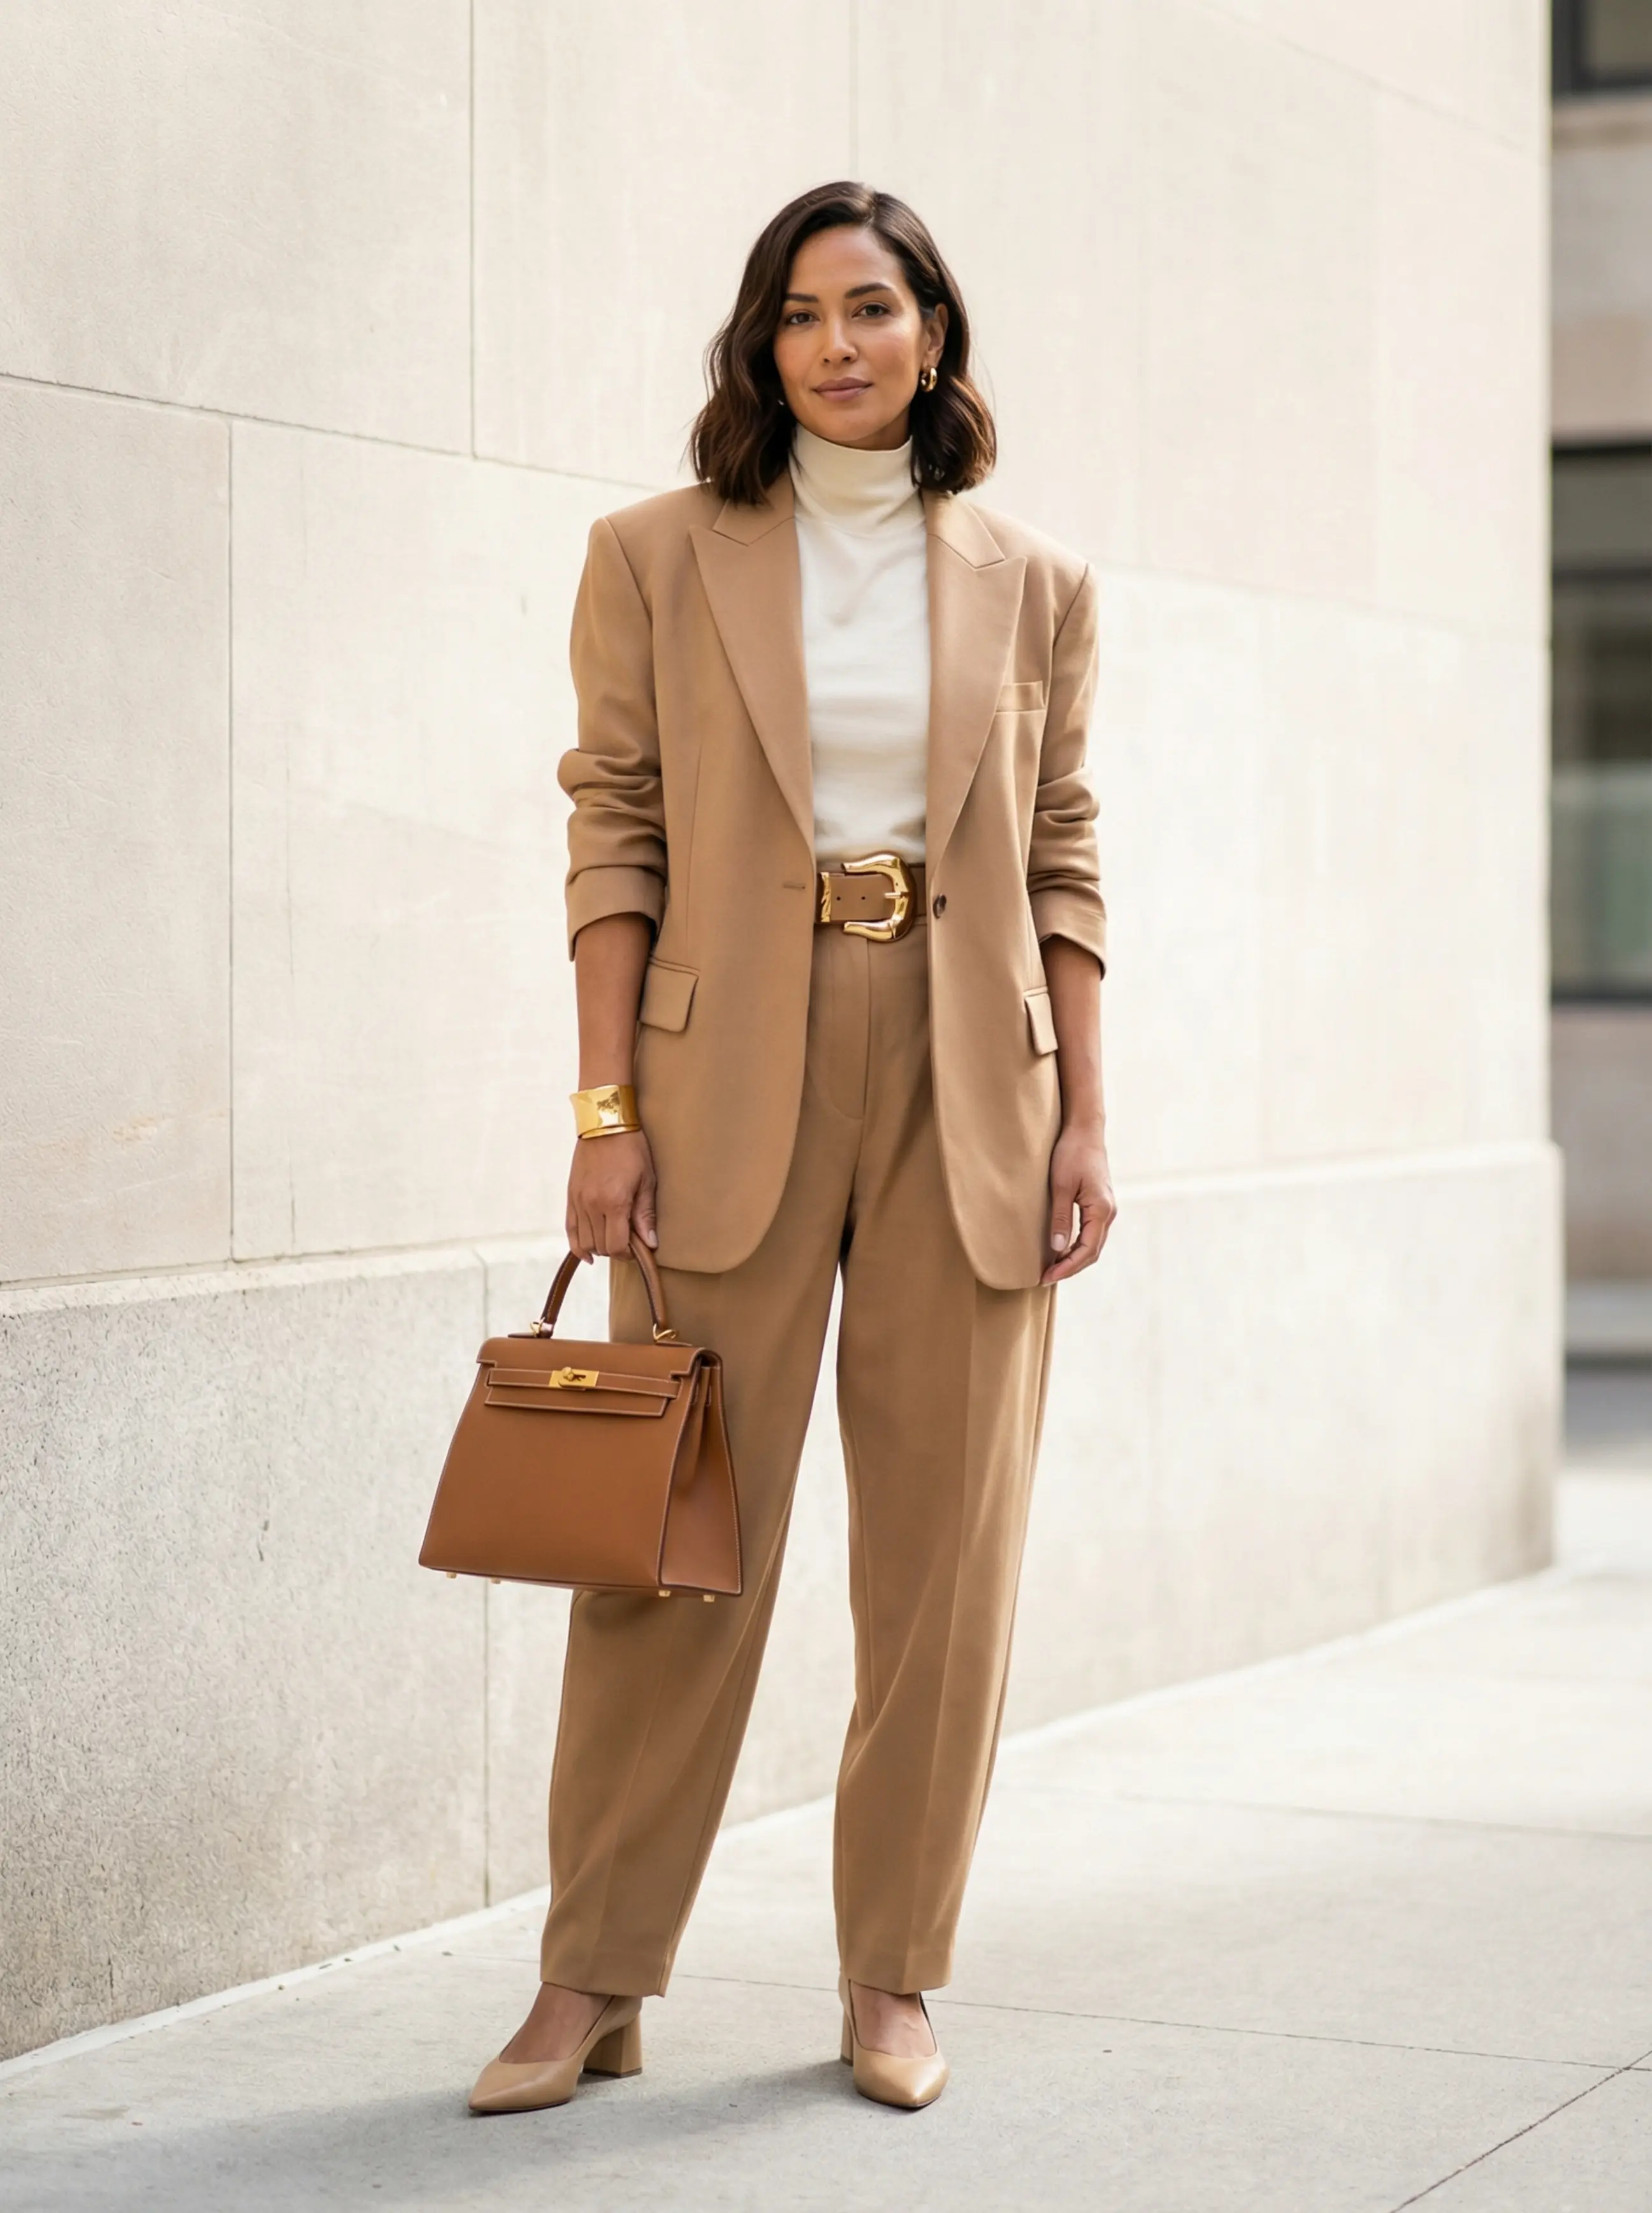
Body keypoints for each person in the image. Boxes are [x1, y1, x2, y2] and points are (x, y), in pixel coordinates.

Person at [469, 180, 1114, 2117]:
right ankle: (592, 1979)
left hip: (967, 1081)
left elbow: (1064, 849)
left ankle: (895, 1976)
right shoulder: (657, 555)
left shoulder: (1034, 580)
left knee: (944, 1565)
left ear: (935, 331)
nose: (838, 345)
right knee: (670, 1556)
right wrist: (604, 1112)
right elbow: (617, 833)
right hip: (721, 1077)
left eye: (874, 307)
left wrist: (1090, 1104)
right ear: (761, 348)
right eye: (800, 315)